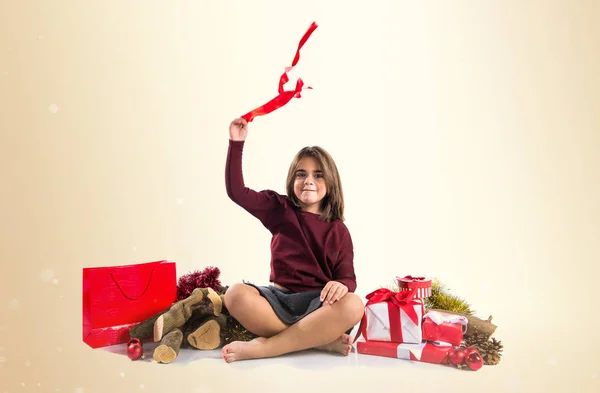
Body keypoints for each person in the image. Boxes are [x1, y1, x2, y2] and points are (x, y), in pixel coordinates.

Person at [221, 117, 364, 363]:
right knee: (234, 294)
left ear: (330, 183)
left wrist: (342, 285)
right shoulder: (280, 208)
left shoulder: (339, 230)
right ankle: (320, 341)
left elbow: (347, 278)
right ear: (292, 179)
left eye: (318, 175)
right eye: (302, 174)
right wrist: (236, 143)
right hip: (278, 301)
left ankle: (265, 348)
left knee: (354, 305)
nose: (309, 180)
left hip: (318, 307)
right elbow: (237, 192)